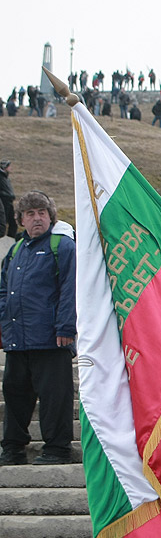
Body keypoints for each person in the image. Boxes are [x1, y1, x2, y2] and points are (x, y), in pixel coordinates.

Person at [0, 191, 77, 465]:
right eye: (30, 214)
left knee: (55, 398)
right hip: (17, 340)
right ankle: (12, 449)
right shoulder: (15, 250)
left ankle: (57, 449)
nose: (36, 219)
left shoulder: (63, 246)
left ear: (50, 216)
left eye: (41, 213)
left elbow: (71, 289)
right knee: (15, 395)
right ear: (21, 220)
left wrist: (66, 327)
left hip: (52, 339)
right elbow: (3, 291)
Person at [0, 160, 17, 238]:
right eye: (9, 166)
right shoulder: (1, 176)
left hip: (9, 201)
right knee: (4, 220)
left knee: (13, 222)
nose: (10, 168)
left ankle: (10, 239)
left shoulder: (6, 177)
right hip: (3, 200)